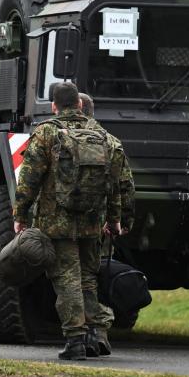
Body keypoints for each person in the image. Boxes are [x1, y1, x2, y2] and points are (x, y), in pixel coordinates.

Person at [13, 82, 122, 361]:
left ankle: (75, 340)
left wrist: (20, 215)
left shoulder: (47, 133)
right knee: (88, 279)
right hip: (91, 222)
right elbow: (116, 184)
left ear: (53, 106)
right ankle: (96, 336)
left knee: (67, 279)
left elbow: (28, 179)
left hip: (57, 221)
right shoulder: (103, 136)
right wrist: (114, 219)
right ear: (81, 105)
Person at [75, 91, 136, 357]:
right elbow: (125, 187)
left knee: (68, 278)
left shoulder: (58, 137)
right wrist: (121, 222)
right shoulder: (111, 142)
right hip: (99, 225)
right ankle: (98, 332)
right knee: (95, 275)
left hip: (61, 225)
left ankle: (76, 333)